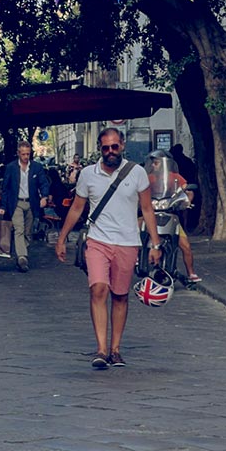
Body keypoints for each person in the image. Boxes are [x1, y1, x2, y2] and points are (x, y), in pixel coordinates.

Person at [56, 127, 162, 370]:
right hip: (97, 241)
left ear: (122, 145)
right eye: (106, 148)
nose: (110, 151)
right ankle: (101, 349)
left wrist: (155, 244)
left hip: (128, 242)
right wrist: (62, 238)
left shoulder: (136, 173)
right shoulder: (87, 174)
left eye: (114, 147)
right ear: (100, 150)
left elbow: (147, 209)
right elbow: (76, 208)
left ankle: (116, 350)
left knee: (120, 295)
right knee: (98, 289)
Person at [0, 140, 51, 272]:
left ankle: (22, 250)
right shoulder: (11, 167)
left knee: (28, 232)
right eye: (23, 154)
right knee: (19, 230)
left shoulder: (37, 167)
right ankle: (22, 257)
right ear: (18, 154)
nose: (26, 157)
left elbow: (43, 183)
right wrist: (3, 205)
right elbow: (6, 188)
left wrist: (44, 196)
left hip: (31, 203)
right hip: (16, 203)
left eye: (28, 154)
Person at [150, 151, 201, 286]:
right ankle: (139, 259)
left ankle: (191, 272)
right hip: (152, 214)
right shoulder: (148, 178)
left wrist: (187, 200)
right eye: (153, 163)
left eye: (156, 163)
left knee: (185, 245)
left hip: (170, 213)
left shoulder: (175, 177)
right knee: (136, 230)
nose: (154, 166)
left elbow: (187, 189)